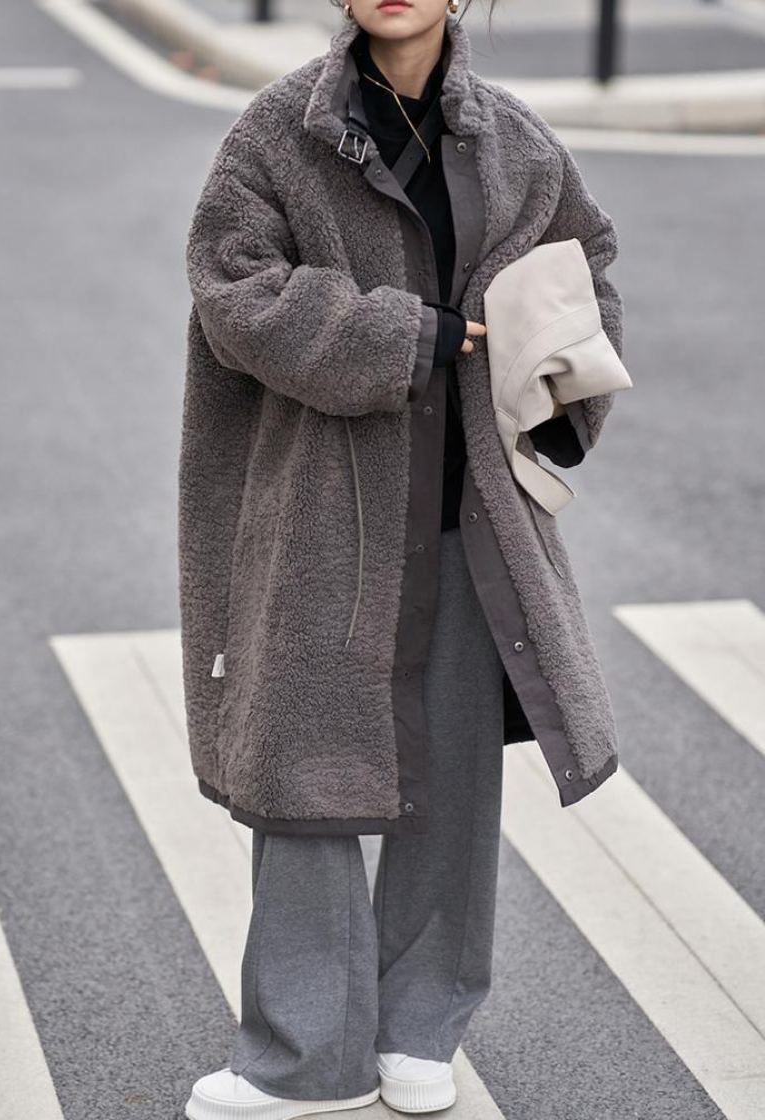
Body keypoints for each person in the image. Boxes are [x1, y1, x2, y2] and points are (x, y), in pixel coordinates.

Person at [179, 1, 625, 1117]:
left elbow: (590, 274)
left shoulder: (514, 142)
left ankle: (418, 1028)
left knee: (454, 784)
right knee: (304, 780)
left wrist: (562, 389)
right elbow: (233, 291)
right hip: (326, 520)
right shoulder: (278, 133)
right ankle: (299, 1057)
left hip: (471, 518)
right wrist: (402, 332)